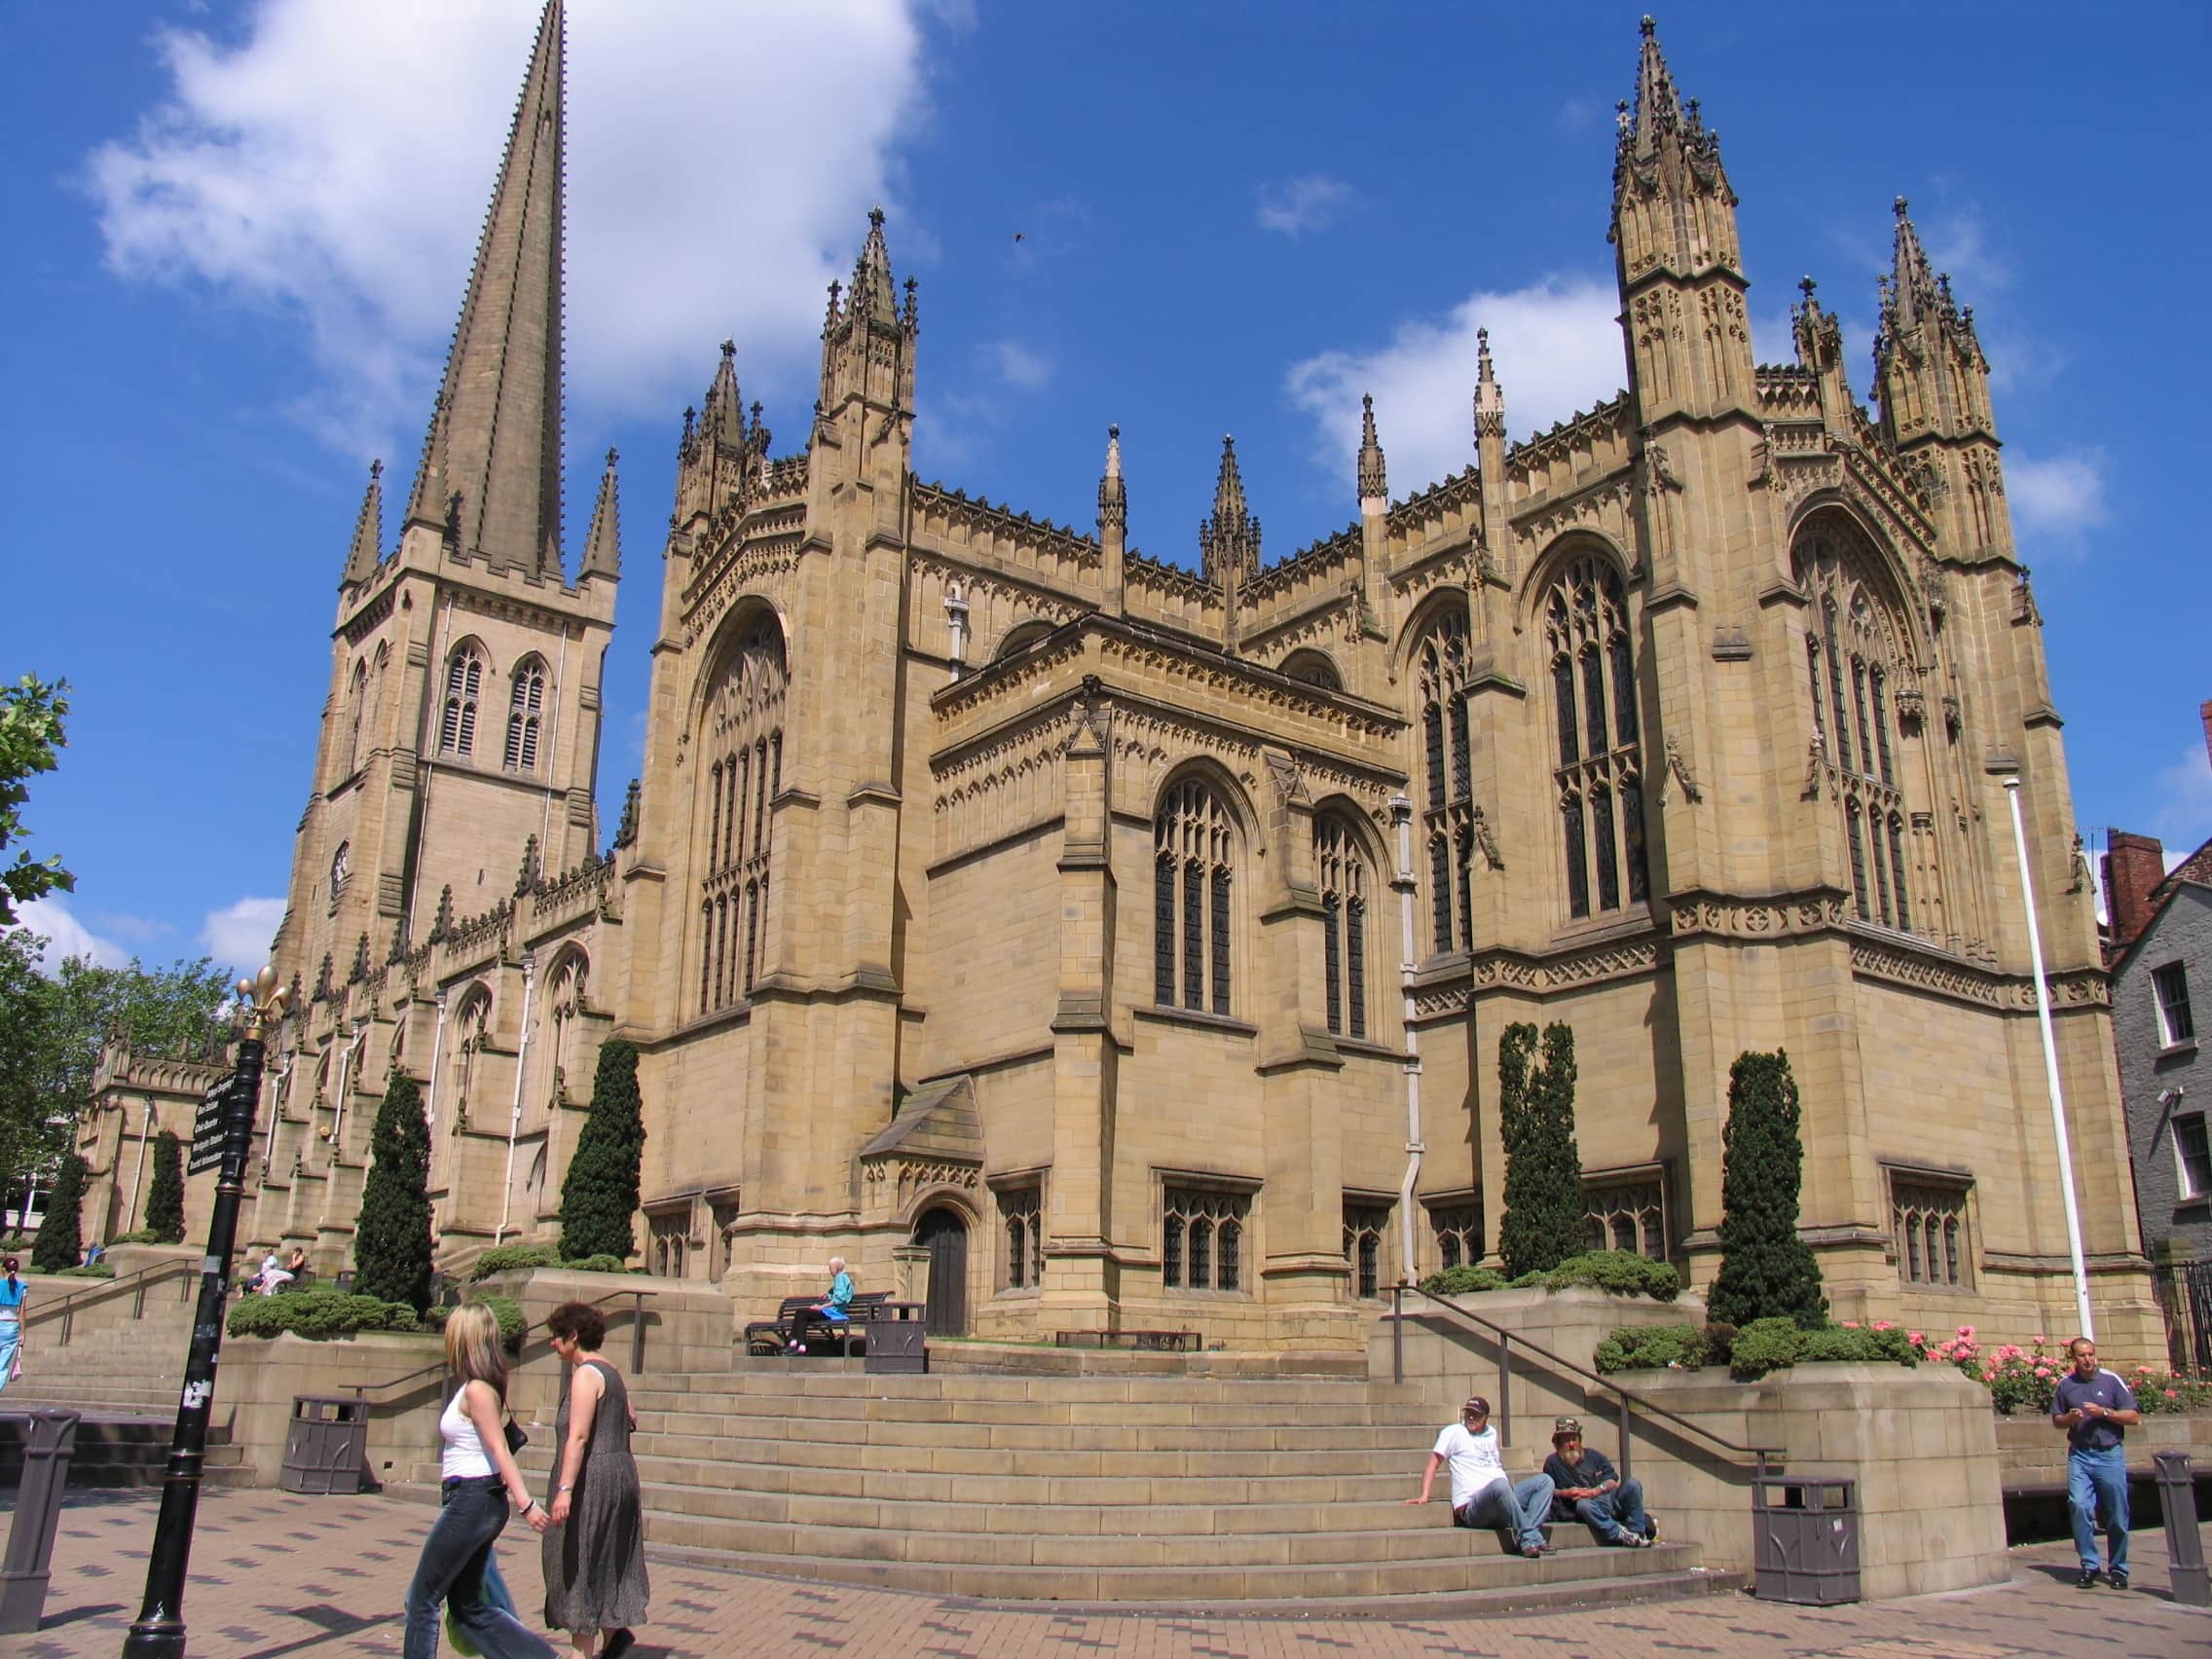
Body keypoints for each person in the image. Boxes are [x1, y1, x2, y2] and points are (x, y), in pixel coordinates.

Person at [401, 1302, 556, 1659]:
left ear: (463, 1339)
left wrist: (527, 1505)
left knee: (422, 1599)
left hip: (472, 1498)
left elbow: (500, 1450)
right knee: (469, 1608)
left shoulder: (477, 1391)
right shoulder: (476, 1387)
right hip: (472, 1499)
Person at [542, 1300, 648, 1659]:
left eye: (557, 1337)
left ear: (573, 1336)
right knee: (605, 1560)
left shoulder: (586, 1374)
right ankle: (613, 1637)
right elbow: (628, 1416)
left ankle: (581, 1652)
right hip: (620, 1474)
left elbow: (579, 1437)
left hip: (594, 1479)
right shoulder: (612, 1371)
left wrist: (565, 1490)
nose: (553, 1344)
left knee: (579, 1563)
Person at [1405, 1395, 1555, 1558]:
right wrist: (1425, 1494)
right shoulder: (1453, 1432)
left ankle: (1526, 1536)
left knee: (1545, 1481)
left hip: (1503, 1496)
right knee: (1499, 1486)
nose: (1471, 1417)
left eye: (1475, 1414)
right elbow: (1433, 1463)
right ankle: (1531, 1537)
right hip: (1474, 1507)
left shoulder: (1492, 1433)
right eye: (1468, 1413)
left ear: (1485, 1418)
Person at [2052, 1335, 2140, 1591]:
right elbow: (2056, 1420)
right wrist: (2069, 1418)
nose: (2087, 1359)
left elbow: (2133, 1417)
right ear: (2074, 1359)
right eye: (2082, 1355)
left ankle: (2119, 1568)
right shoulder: (2066, 1385)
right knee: (2078, 1505)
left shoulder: (2111, 1381)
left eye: (2090, 1354)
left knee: (2116, 1514)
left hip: (2109, 1454)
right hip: (2081, 1454)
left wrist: (2105, 1413)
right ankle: (2089, 1565)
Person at [1542, 1417, 1654, 1546]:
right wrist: (1566, 1492)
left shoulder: (1594, 1456)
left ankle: (1638, 1532)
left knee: (1633, 1484)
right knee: (1584, 1505)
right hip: (1586, 1506)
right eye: (1566, 1440)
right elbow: (1549, 1490)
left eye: (1574, 1439)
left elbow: (1612, 1480)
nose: (1571, 1444)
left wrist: (1594, 1491)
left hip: (1607, 1498)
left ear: (1580, 1440)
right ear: (1558, 1443)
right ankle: (1620, 1534)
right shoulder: (1552, 1463)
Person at [792, 1257, 855, 1353]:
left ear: (836, 1268)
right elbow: (837, 1292)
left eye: (830, 1268)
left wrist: (821, 1307)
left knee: (801, 1312)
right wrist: (828, 1294)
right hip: (830, 1312)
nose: (830, 1270)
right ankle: (799, 1343)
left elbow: (839, 1299)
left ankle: (797, 1341)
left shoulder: (840, 1277)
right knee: (801, 1315)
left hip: (832, 1314)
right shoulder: (841, 1278)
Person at [0, 1256, 26, 1396]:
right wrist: (23, 1333)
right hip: (12, 1327)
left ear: (3, 1269)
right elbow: (22, 1312)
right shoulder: (22, 1287)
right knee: (2, 1366)